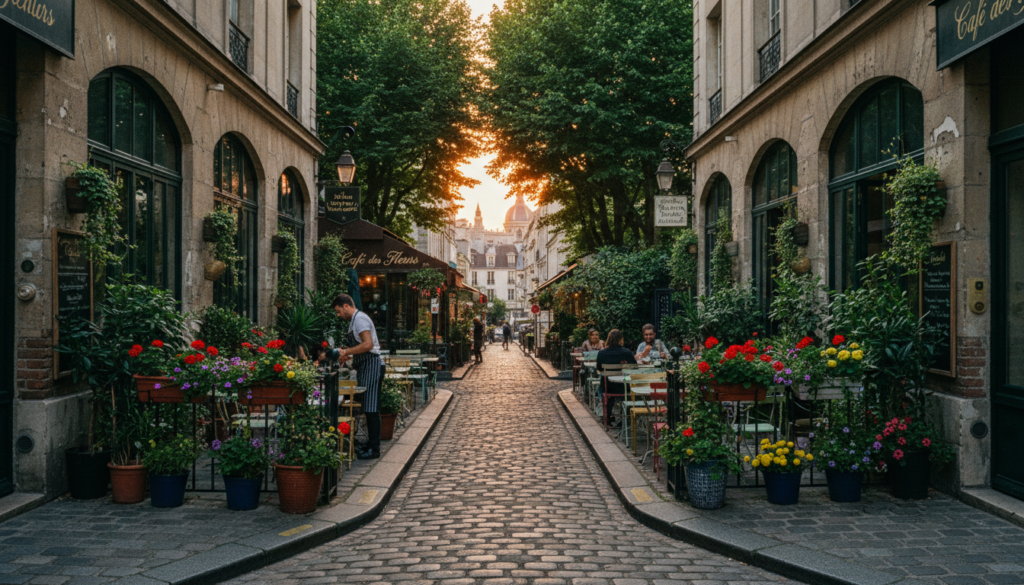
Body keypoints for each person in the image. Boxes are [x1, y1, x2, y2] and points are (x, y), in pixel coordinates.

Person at [333, 294, 385, 460]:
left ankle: (374, 449)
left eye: (338, 311)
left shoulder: (360, 319)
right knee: (368, 407)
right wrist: (350, 354)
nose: (338, 315)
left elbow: (368, 344)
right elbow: (362, 347)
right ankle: (370, 445)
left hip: (372, 365)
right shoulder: (355, 320)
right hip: (366, 365)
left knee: (371, 407)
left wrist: (346, 351)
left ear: (346, 306)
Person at [596, 329, 636, 427]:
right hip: (624, 387)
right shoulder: (627, 352)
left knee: (603, 388)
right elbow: (634, 367)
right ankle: (627, 419)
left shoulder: (602, 353)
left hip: (608, 386)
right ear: (621, 339)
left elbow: (599, 368)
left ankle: (607, 417)